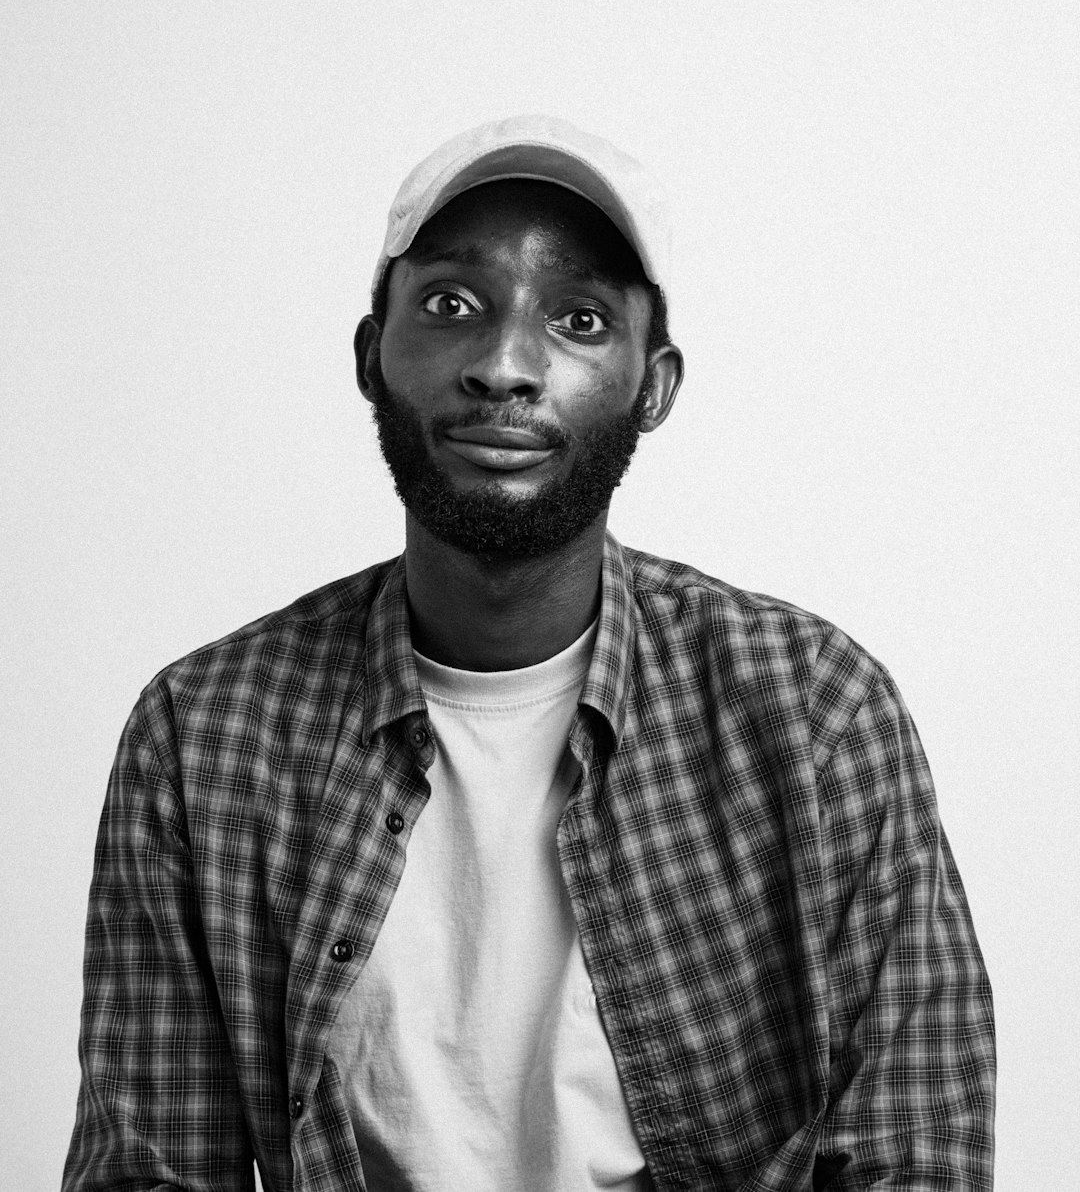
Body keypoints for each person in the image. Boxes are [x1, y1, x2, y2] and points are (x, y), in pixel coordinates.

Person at [63, 117, 995, 1192]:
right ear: (373, 356)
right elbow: (149, 1175)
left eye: (580, 319)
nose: (505, 366)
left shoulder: (814, 714)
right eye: (452, 305)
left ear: (655, 384)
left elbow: (915, 1158)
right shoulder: (206, 737)